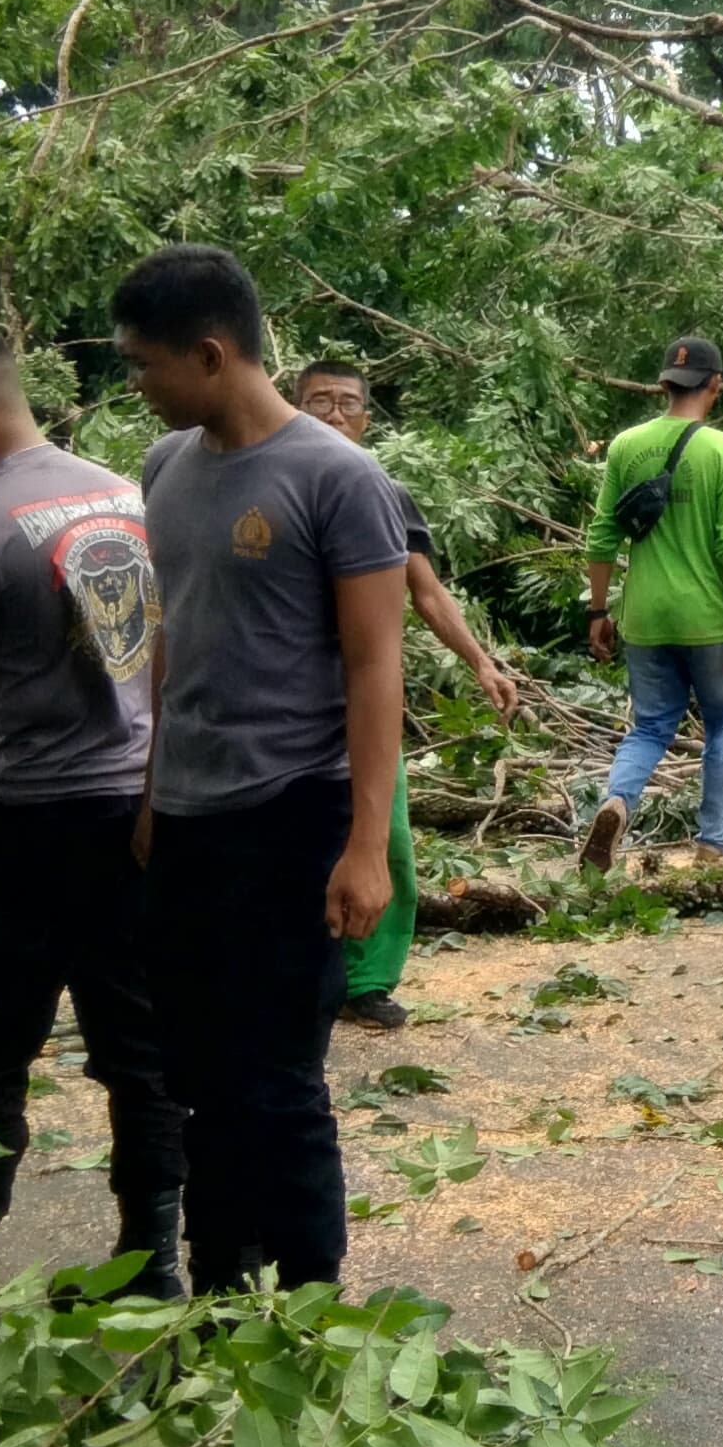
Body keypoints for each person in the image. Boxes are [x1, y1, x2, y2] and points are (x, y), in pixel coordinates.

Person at [116, 245, 414, 1293]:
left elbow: (378, 666)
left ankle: (310, 1300)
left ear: (209, 352)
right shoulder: (164, 467)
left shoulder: (339, 479)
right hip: (189, 820)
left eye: (144, 363)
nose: (136, 382)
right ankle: (222, 1284)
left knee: (281, 1077)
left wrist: (366, 846)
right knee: (199, 1073)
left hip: (294, 814)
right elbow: (170, 636)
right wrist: (154, 791)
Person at [0, 310, 186, 1301]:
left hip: (30, 829)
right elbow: (174, 668)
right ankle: (153, 1272)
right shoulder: (135, 498)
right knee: (142, 1062)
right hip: (140, 818)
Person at [288, 361, 526, 1031]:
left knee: (382, 837)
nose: (333, 415)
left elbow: (426, 593)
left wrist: (482, 660)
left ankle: (366, 981)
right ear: (294, 409)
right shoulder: (271, 484)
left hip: (365, 701)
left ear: (366, 419)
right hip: (283, 699)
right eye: (318, 403)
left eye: (346, 404)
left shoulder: (384, 494)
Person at [577, 335, 723, 874]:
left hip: (646, 618)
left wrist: (597, 611)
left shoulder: (626, 446)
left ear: (665, 384)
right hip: (709, 620)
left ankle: (618, 800)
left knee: (651, 726)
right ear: (716, 385)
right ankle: (713, 844)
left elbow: (602, 536)